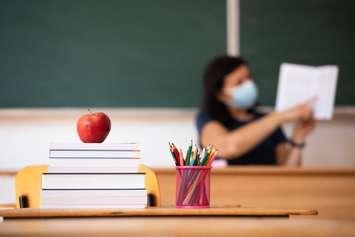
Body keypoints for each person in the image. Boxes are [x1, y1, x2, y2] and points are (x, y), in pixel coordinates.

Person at [196, 56, 316, 166]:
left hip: (269, 188)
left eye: (249, 78)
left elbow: (287, 172)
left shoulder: (268, 120)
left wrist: (298, 139)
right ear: (221, 94)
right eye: (239, 82)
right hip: (228, 189)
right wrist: (278, 117)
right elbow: (227, 147)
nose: (249, 84)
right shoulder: (207, 119)